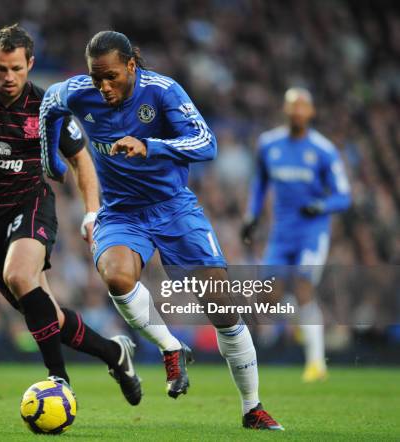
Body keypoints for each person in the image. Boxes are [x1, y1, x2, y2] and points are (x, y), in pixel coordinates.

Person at [40, 30, 283, 430]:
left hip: (173, 208)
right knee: (116, 276)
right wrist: (52, 160)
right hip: (120, 212)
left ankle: (252, 407)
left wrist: (150, 145)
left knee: (222, 307)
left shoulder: (163, 91)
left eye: (112, 77)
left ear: (131, 66)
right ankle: (171, 347)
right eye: (96, 78)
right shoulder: (78, 91)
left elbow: (207, 143)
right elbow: (49, 104)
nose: (103, 87)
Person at [0, 24, 141, 405]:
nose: (8, 77)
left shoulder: (46, 106)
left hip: (30, 203)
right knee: (46, 313)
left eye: (17, 69)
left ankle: (59, 380)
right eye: (2, 69)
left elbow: (81, 160)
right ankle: (114, 353)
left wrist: (91, 214)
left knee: (19, 275)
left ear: (30, 65)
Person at [241, 88, 351, 382]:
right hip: (281, 232)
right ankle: (303, 320)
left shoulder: (323, 150)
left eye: (303, 106)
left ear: (311, 113)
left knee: (303, 284)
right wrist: (251, 215)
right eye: (293, 106)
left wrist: (321, 205)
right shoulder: (269, 144)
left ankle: (316, 364)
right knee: (266, 299)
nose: (297, 111)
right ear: (285, 110)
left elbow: (344, 196)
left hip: (312, 232)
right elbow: (259, 184)